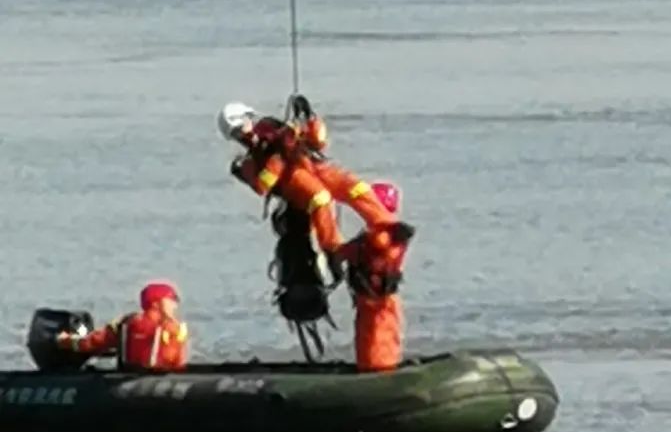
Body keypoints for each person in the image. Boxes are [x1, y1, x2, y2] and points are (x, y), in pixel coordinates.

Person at [218, 98, 397, 261]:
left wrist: (309, 119)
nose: (241, 135)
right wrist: (278, 155)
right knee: (320, 198)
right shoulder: (248, 162)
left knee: (357, 187)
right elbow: (264, 184)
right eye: (236, 133)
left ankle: (386, 225)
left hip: (311, 165)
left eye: (240, 128)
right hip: (293, 180)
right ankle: (333, 249)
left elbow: (317, 142)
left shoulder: (273, 127)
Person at [339, 184, 415, 372]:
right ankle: (372, 369)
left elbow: (352, 251)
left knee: (379, 341)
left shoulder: (384, 238)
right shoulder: (382, 236)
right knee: (371, 340)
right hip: (370, 301)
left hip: (379, 302)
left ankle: (379, 373)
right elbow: (347, 252)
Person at [56, 281, 189, 372]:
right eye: (171, 300)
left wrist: (65, 341)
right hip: (160, 376)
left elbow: (95, 342)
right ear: (156, 303)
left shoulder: (128, 322)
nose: (175, 305)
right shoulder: (175, 328)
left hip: (136, 376)